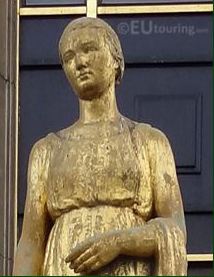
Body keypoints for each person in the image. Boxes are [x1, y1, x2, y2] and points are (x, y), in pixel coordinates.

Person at [13, 17, 187, 276]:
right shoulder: (46, 151)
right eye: (69, 57)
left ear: (116, 60)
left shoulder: (148, 141)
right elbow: (30, 244)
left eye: (89, 49)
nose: (79, 62)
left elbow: (176, 228)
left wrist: (119, 242)